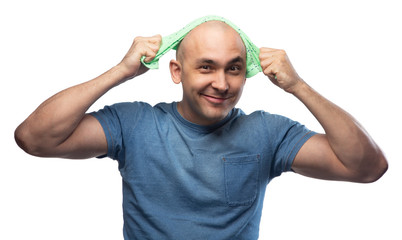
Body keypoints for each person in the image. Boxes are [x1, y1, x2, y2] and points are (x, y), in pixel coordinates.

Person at [14, 19, 388, 239]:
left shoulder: (269, 133)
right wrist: (120, 72)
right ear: (176, 71)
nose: (222, 84)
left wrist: (299, 86)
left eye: (234, 68)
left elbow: (367, 168)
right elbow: (34, 138)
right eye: (206, 67)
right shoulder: (134, 124)